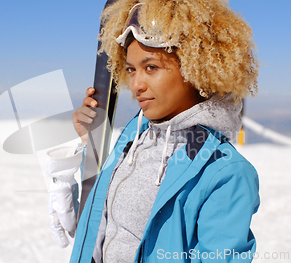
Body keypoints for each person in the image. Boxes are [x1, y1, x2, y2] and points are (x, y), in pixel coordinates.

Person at [44, 0, 260, 262]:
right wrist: (83, 144)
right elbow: (102, 232)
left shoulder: (226, 173)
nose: (136, 85)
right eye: (131, 70)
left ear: (196, 69)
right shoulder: (133, 140)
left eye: (151, 68)